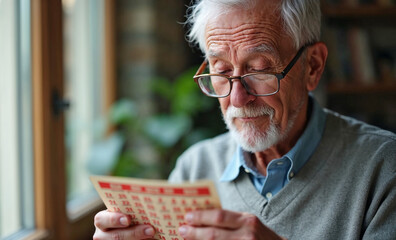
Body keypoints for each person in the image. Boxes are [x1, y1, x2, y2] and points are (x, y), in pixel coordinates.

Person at [93, 0, 396, 239]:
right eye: (222, 72)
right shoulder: (194, 167)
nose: (237, 99)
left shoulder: (383, 169)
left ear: (312, 67)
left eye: (259, 70)